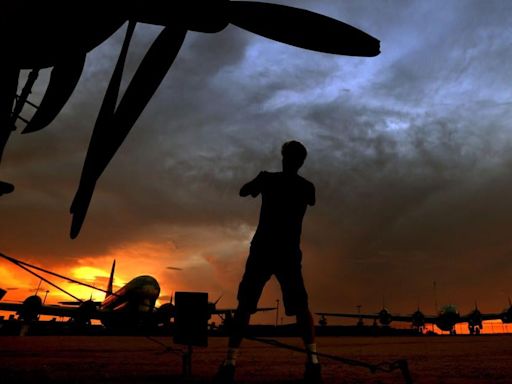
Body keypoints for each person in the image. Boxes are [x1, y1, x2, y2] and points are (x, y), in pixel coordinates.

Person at [214, 140, 321, 383]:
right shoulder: (307, 187)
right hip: (288, 252)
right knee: (300, 307)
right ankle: (313, 362)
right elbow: (312, 200)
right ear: (301, 161)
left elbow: (243, 191)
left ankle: (230, 362)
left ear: (283, 158)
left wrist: (259, 181)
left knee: (245, 306)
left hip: (263, 250)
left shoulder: (269, 180)